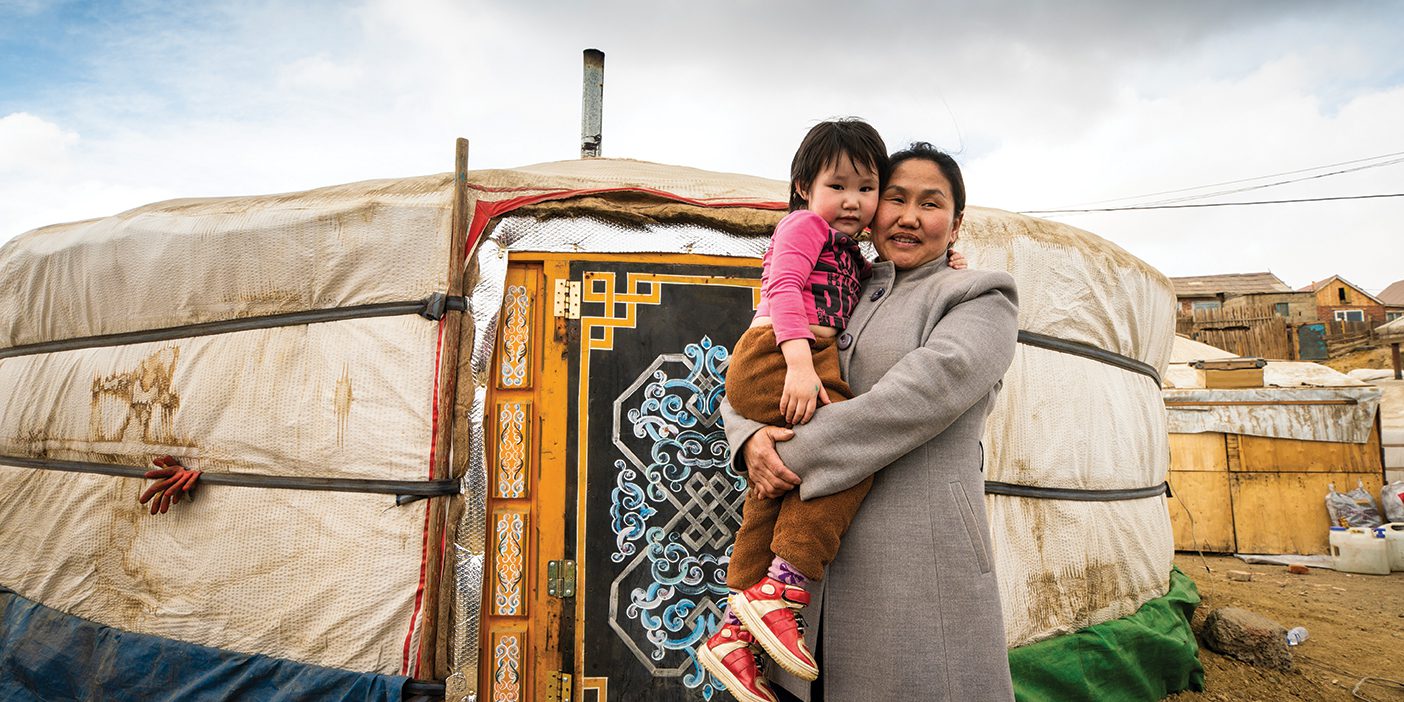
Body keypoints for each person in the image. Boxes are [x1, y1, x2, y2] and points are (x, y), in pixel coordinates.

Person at [720, 143, 1019, 701]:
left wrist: (782, 455)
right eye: (895, 198)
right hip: (808, 580)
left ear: (956, 223)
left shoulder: (979, 297)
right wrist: (749, 439)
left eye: (930, 204)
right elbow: (751, 371)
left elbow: (905, 404)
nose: (908, 216)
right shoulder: (841, 280)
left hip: (914, 568)